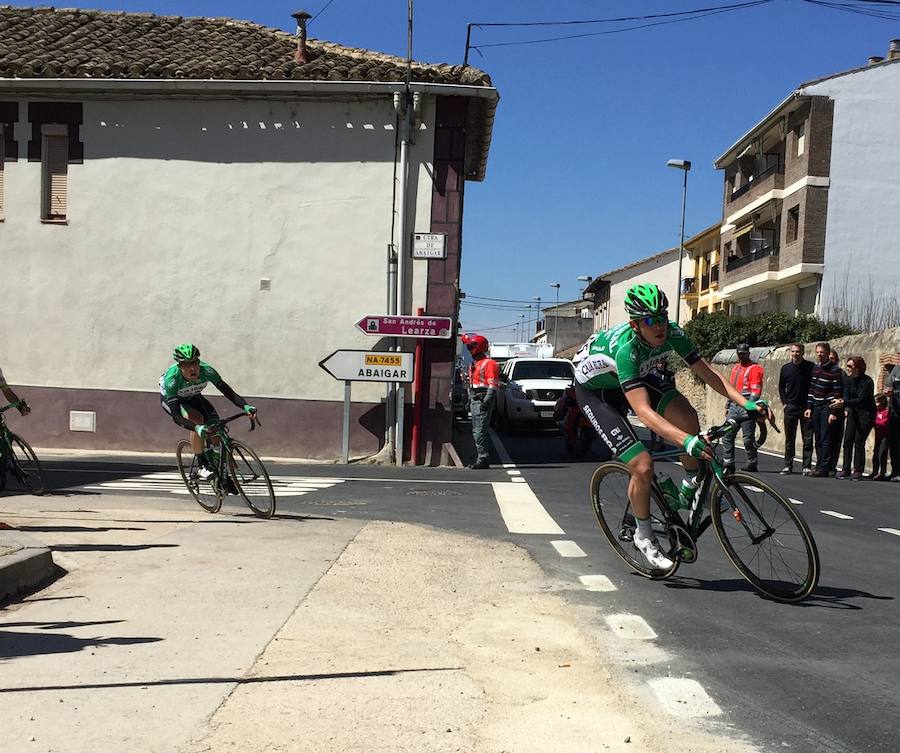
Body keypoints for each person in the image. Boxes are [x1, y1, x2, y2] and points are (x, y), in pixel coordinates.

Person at [573, 283, 770, 569]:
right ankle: (644, 535)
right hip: (596, 393)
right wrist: (686, 442)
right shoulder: (626, 350)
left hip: (635, 377)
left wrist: (747, 402)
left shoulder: (673, 332)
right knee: (641, 465)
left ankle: (687, 490)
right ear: (635, 325)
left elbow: (707, 372)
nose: (659, 326)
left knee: (688, 418)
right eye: (651, 321)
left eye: (662, 317)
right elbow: (642, 411)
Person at [159, 344, 257, 481]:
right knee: (197, 419)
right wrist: (197, 428)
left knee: (215, 428)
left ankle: (218, 468)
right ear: (180, 367)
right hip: (175, 401)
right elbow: (176, 416)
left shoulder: (207, 371)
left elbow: (229, 393)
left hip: (194, 396)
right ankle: (202, 465)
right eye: (187, 365)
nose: (192, 368)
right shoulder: (172, 381)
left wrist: (245, 406)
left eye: (195, 363)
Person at [722, 343, 764, 474]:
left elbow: (756, 390)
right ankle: (728, 462)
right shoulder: (735, 368)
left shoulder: (755, 368)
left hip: (746, 405)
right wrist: (728, 405)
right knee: (727, 434)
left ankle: (752, 462)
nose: (741, 356)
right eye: (739, 354)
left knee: (748, 438)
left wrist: (750, 407)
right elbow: (731, 389)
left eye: (744, 354)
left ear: (748, 354)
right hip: (734, 405)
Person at [833, 356, 875, 480]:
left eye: (850, 366)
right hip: (853, 412)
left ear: (858, 368)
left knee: (859, 442)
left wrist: (844, 403)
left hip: (866, 414)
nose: (848, 368)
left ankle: (858, 470)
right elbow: (846, 395)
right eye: (847, 366)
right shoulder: (847, 380)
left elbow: (861, 400)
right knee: (847, 441)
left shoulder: (867, 381)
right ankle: (845, 468)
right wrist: (842, 402)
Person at [805, 342, 843, 477]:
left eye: (822, 352)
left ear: (827, 353)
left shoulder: (835, 370)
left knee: (826, 437)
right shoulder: (816, 368)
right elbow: (812, 388)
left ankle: (824, 468)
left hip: (827, 407)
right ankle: (819, 464)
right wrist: (809, 407)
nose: (819, 355)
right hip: (816, 406)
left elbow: (837, 393)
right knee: (818, 438)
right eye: (817, 352)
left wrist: (833, 412)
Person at [461, 333, 499, 469]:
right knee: (476, 431)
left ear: (478, 348)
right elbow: (471, 385)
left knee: (479, 431)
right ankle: (482, 457)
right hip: (475, 399)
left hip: (482, 399)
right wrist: (468, 400)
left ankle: (483, 459)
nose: (469, 350)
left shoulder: (489, 364)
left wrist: (487, 401)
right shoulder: (475, 364)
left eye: (471, 347)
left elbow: (493, 385)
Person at [778, 343, 814, 475]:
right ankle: (788, 465)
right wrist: (785, 403)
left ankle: (806, 466)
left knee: (808, 439)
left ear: (802, 353)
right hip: (791, 407)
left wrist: (810, 406)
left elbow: (814, 387)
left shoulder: (810, 367)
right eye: (793, 352)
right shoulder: (785, 368)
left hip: (806, 408)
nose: (795, 354)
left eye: (798, 351)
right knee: (789, 439)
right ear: (790, 353)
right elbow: (781, 387)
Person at [648, 358, 675, 451]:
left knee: (663, 422)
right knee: (654, 423)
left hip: (665, 401)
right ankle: (654, 442)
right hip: (654, 401)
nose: (660, 364)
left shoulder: (669, 375)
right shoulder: (652, 374)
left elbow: (673, 387)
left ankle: (661, 442)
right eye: (659, 362)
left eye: (662, 362)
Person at [827, 349, 845, 474]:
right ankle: (823, 464)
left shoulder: (841, 374)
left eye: (833, 359)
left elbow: (845, 393)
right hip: (823, 410)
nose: (830, 361)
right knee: (823, 439)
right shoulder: (820, 371)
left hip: (838, 411)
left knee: (836, 440)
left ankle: (832, 465)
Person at [885, 362, 900, 481]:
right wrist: (887, 390)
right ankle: (895, 471)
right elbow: (888, 384)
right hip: (894, 411)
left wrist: (894, 393)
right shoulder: (896, 369)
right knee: (893, 443)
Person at [870, 393, 890, 480]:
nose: (876, 404)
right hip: (878, 436)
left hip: (885, 436)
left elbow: (884, 422)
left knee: (882, 454)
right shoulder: (876, 412)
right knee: (876, 453)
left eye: (877, 402)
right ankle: (875, 471)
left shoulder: (886, 412)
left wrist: (876, 422)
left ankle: (882, 472)